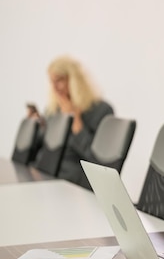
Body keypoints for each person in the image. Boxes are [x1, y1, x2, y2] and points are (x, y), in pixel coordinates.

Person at [28, 55, 114, 188]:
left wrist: (75, 121)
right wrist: (35, 127)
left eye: (59, 81)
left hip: (71, 181)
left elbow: (97, 161)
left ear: (74, 81)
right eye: (52, 82)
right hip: (45, 173)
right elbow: (44, 148)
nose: (55, 87)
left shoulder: (101, 110)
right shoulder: (54, 110)